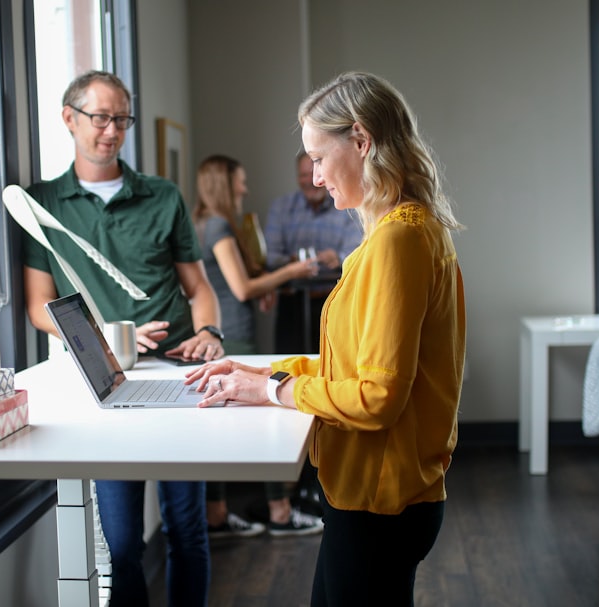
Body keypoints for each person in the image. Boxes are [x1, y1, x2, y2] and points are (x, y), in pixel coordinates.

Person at [186, 71, 466, 606]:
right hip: (382, 496)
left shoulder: (398, 240)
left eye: (319, 157)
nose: (314, 177)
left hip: (380, 500)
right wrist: (265, 374)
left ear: (362, 141)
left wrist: (272, 392)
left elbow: (377, 397)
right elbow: (354, 369)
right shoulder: (405, 229)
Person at [21, 70, 223, 606]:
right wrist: (103, 333)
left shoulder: (162, 196)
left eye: (122, 119)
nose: (112, 130)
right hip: (105, 388)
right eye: (100, 117)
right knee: (123, 545)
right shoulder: (43, 204)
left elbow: (199, 288)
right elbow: (39, 307)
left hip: (181, 380)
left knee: (187, 532)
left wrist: (209, 331)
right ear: (69, 118)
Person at [192, 154, 325, 539]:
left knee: (218, 428)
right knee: (269, 415)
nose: (245, 188)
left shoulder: (202, 224)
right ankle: (280, 512)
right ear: (224, 184)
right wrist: (292, 272)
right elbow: (242, 289)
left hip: (223, 333)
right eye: (240, 181)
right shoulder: (217, 225)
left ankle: (216, 514)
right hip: (234, 336)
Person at [264, 150, 363, 354]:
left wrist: (339, 257)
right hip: (292, 305)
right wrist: (293, 263)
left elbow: (358, 255)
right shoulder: (281, 208)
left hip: (335, 302)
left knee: (334, 371)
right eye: (303, 175)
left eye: (315, 173)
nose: (310, 181)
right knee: (287, 367)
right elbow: (271, 258)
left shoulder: (348, 207)